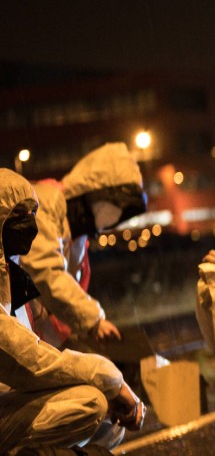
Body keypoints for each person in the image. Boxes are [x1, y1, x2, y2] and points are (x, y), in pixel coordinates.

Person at [0, 170, 144, 456]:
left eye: (32, 213)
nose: (30, 225)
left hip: (9, 396)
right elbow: (27, 360)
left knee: (109, 420)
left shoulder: (8, 275)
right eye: (19, 216)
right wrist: (110, 378)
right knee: (91, 403)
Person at [21, 143, 147, 349]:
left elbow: (66, 294)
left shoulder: (78, 237)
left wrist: (85, 331)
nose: (113, 217)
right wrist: (93, 321)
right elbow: (46, 272)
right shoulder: (45, 203)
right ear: (95, 192)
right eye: (114, 203)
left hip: (38, 341)